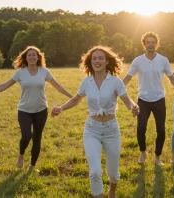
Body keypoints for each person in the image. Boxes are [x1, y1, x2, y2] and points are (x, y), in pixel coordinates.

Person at [51, 46, 139, 198]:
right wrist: (61, 108)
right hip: (92, 129)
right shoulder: (86, 82)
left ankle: (112, 191)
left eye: (100, 58)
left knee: (113, 172)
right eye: (94, 59)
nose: (97, 61)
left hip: (111, 130)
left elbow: (126, 100)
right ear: (90, 63)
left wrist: (133, 107)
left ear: (106, 62)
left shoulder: (115, 81)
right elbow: (76, 99)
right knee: (95, 171)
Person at [0, 46, 73, 170]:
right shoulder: (20, 72)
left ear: (38, 57)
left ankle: (32, 166)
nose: (31, 57)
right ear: (25, 58)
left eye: (34, 55)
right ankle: (21, 155)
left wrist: (74, 97)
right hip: (24, 110)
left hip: (41, 110)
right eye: (29, 55)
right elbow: (4, 85)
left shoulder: (44, 71)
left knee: (37, 138)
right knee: (27, 135)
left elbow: (58, 86)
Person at [123, 32, 174, 166]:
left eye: (153, 42)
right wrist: (115, 89)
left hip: (159, 99)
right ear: (144, 44)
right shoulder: (137, 61)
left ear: (157, 44)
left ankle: (157, 156)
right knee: (141, 127)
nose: (150, 44)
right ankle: (143, 152)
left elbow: (173, 80)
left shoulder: (163, 60)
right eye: (148, 42)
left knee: (161, 129)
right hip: (143, 100)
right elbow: (127, 78)